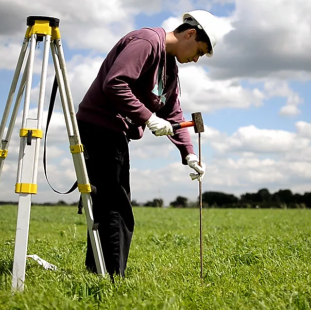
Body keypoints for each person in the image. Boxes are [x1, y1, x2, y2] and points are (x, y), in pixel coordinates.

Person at [75, 10, 221, 278]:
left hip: (114, 131)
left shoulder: (170, 67)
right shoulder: (146, 42)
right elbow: (115, 83)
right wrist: (148, 118)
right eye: (199, 51)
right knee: (116, 206)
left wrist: (188, 154)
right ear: (190, 34)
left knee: (110, 203)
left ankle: (98, 272)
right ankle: (110, 279)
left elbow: (174, 113)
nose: (197, 59)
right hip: (99, 126)